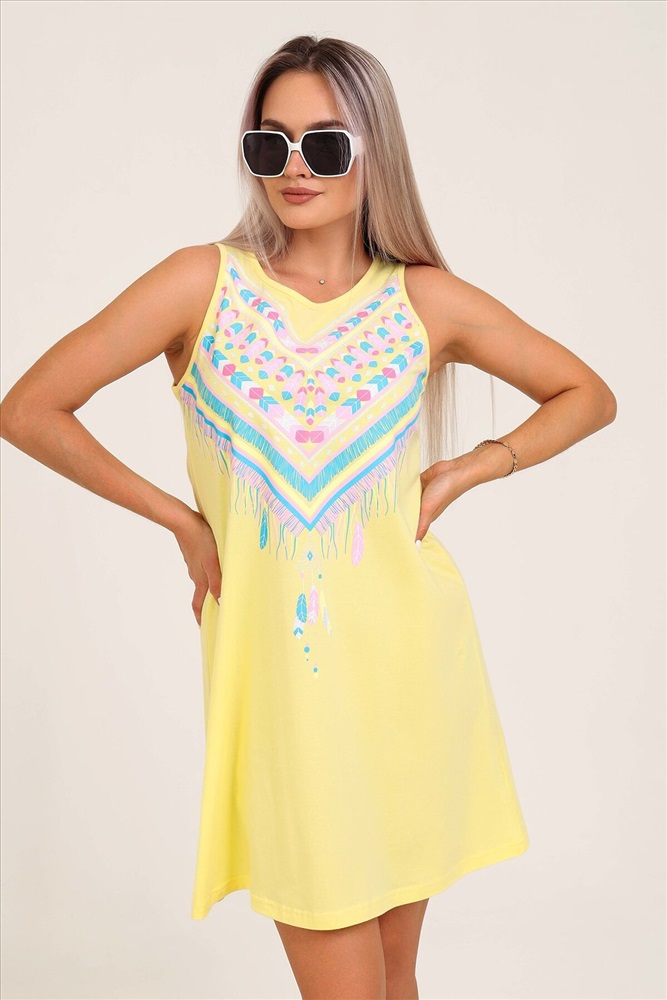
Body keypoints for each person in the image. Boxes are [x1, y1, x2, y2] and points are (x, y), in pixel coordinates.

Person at [0, 33, 616, 1000]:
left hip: (409, 671)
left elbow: (587, 394)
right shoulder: (199, 284)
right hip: (282, 689)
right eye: (270, 143)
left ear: (373, 151)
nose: (294, 168)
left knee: (395, 982)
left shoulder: (423, 300)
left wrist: (465, 470)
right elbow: (29, 409)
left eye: (324, 145)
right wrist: (182, 523)